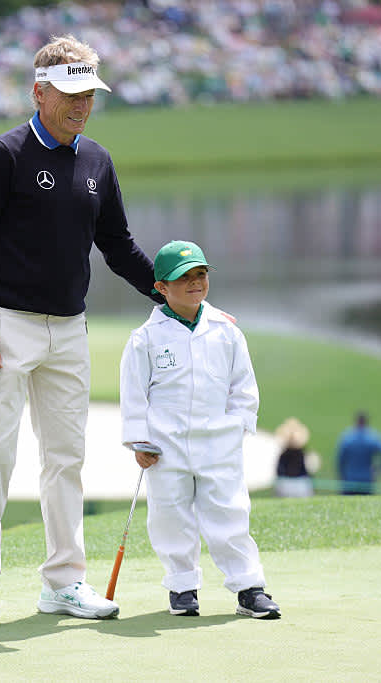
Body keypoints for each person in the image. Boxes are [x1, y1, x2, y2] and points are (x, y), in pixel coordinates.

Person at [0, 34, 164, 624]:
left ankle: (64, 582)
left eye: (89, 93)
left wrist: (167, 294)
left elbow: (117, 245)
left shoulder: (96, 160)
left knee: (67, 457)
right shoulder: (4, 155)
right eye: (70, 92)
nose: (81, 104)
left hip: (70, 329)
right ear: (39, 91)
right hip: (4, 324)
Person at [120, 239, 280, 620]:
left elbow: (243, 387)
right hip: (165, 447)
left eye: (201, 275)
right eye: (184, 278)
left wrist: (237, 427)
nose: (195, 283)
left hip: (218, 445)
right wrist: (139, 441)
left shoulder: (227, 332)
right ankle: (182, 587)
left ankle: (248, 587)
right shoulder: (145, 338)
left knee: (229, 513)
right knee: (170, 516)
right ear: (161, 287)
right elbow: (134, 396)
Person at [336, 412, 381, 495]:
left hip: (349, 479)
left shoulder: (347, 438)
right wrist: (379, 469)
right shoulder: (372, 437)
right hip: (367, 479)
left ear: (355, 422)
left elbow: (340, 460)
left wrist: (341, 474)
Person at [274, 417, 314, 498]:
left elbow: (279, 470)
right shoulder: (302, 453)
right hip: (299, 483)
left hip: (286, 483)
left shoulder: (284, 454)